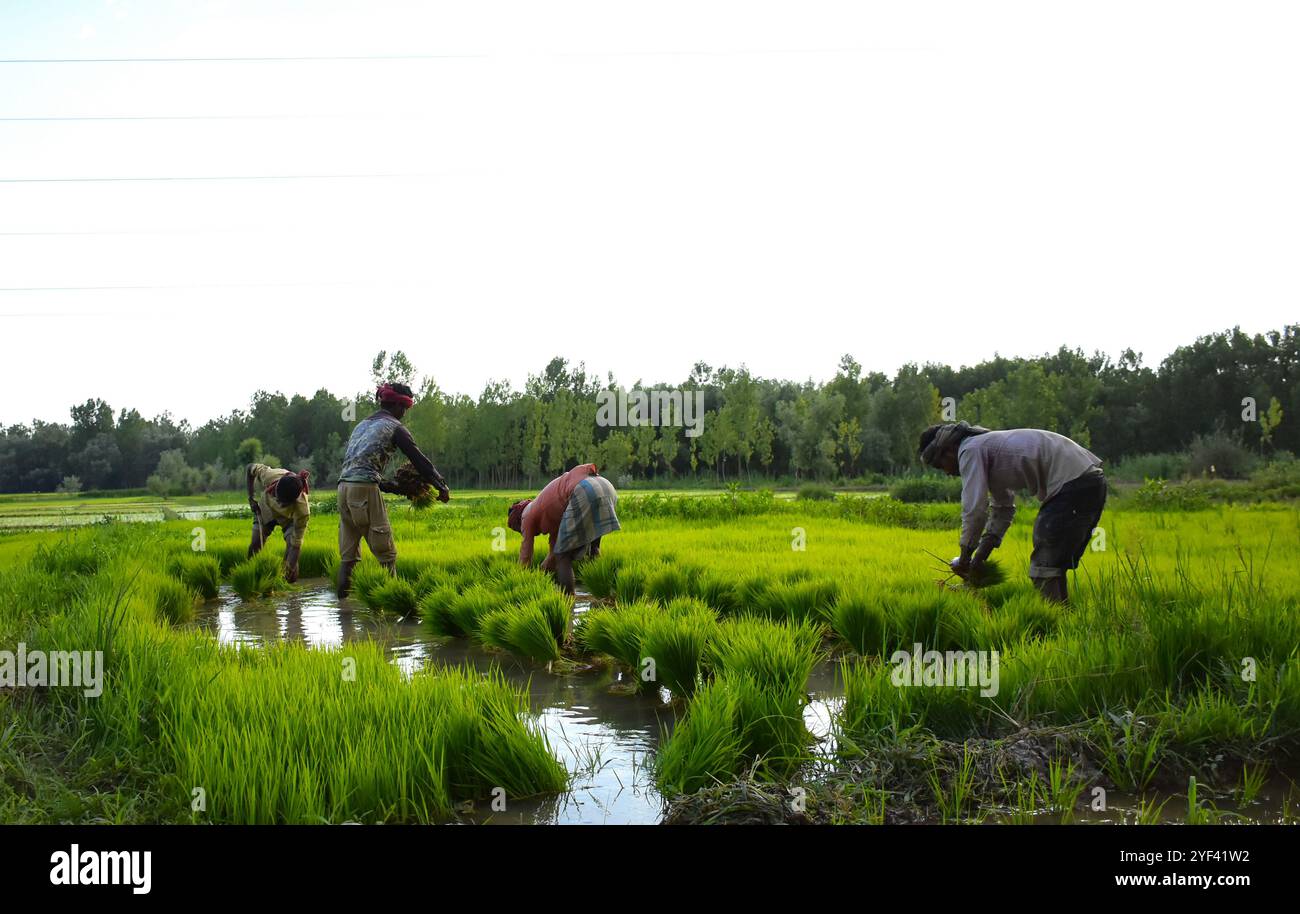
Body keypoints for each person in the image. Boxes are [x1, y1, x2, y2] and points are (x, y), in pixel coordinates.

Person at [918, 421, 1107, 604]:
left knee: (1043, 567)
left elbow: (975, 510)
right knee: (1052, 566)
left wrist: (964, 558)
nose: (947, 473)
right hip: (1088, 481)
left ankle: (1054, 624)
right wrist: (978, 559)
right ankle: (1064, 620)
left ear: (948, 451)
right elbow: (1003, 510)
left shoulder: (970, 450)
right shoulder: (987, 449)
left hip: (1074, 483)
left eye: (940, 466)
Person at [336, 382, 450, 597]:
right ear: (398, 405)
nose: (404, 414)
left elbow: (360, 465)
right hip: (364, 489)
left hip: (343, 489)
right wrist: (440, 485)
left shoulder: (362, 425)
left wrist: (393, 487)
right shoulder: (395, 427)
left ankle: (344, 617)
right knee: (387, 555)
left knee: (348, 558)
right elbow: (419, 460)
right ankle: (395, 607)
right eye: (404, 409)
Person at [507, 463, 620, 594]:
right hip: (605, 486)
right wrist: (542, 572)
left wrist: (521, 580)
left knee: (563, 556)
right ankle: (605, 591)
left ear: (518, 519)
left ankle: (568, 599)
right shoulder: (548, 512)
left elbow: (526, 554)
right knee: (593, 548)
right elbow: (553, 552)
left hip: (584, 490)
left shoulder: (526, 515)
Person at [246, 462, 311, 583]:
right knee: (255, 543)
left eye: (284, 504)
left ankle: (290, 590)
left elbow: (296, 546)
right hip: (266, 509)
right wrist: (251, 497)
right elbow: (250, 468)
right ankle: (250, 578)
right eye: (278, 499)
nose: (280, 505)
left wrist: (285, 574)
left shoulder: (302, 510)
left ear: (293, 501)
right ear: (275, 487)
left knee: (290, 551)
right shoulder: (270, 475)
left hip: (289, 519)